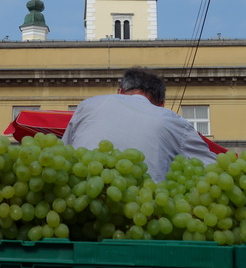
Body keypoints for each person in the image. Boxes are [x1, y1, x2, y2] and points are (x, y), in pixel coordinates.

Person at [62, 67, 217, 182]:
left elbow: (64, 156)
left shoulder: (88, 105)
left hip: (80, 210)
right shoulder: (172, 121)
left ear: (120, 92)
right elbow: (214, 169)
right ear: (161, 104)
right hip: (145, 218)